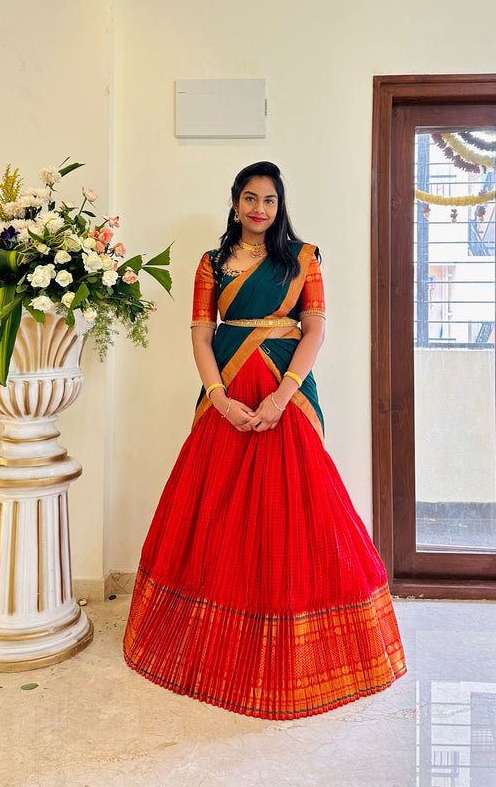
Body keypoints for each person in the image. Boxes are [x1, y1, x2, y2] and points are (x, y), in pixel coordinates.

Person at [123, 161, 406, 719]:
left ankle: (299, 645)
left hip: (286, 393)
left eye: (269, 200)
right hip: (225, 392)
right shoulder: (209, 265)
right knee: (216, 512)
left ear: (280, 206)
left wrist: (281, 396)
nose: (259, 209)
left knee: (298, 512)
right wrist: (219, 396)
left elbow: (316, 329)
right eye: (249, 199)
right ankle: (212, 646)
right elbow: (202, 335)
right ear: (234, 204)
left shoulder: (302, 259)